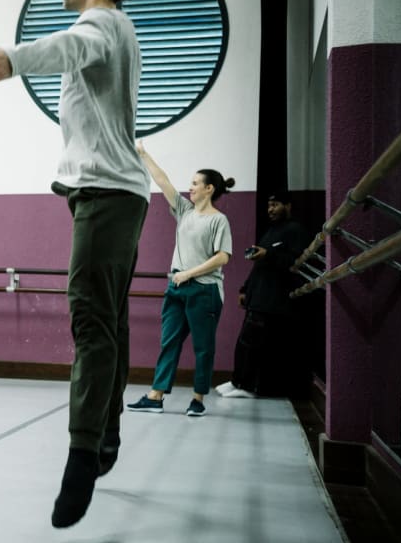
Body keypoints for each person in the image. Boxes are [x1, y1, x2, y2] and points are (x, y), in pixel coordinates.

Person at [0, 0, 147, 528]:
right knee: (109, 323)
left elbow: (68, 47)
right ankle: (107, 440)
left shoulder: (102, 26)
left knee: (91, 324)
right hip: (114, 194)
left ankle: (82, 454)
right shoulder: (121, 29)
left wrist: (12, 59)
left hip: (106, 196)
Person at [128, 142, 233, 417]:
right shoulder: (184, 210)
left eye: (196, 183)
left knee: (203, 347)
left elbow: (223, 257)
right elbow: (163, 181)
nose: (191, 187)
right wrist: (144, 154)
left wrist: (189, 273)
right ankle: (156, 396)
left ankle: (197, 399)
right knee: (169, 342)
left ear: (209, 188)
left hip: (205, 291)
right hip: (176, 289)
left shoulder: (218, 221)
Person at [216, 190, 309, 399]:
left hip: (274, 299)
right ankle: (237, 381)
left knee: (254, 346)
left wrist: (269, 254)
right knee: (245, 343)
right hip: (258, 296)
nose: (271, 209)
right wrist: (244, 289)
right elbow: (259, 266)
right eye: (269, 206)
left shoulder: (295, 230)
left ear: (288, 206)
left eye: (275, 205)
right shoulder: (271, 231)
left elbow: (296, 263)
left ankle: (247, 387)